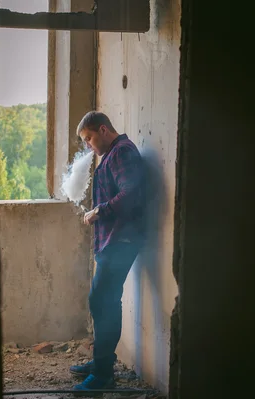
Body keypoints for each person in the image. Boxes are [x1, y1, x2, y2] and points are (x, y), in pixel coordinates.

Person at [69, 111, 146, 391]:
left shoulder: (122, 152)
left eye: (88, 138)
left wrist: (99, 211)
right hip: (112, 241)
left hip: (121, 241)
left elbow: (131, 194)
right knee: (100, 300)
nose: (88, 145)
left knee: (104, 301)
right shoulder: (111, 155)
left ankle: (102, 376)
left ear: (103, 130)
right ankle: (101, 362)